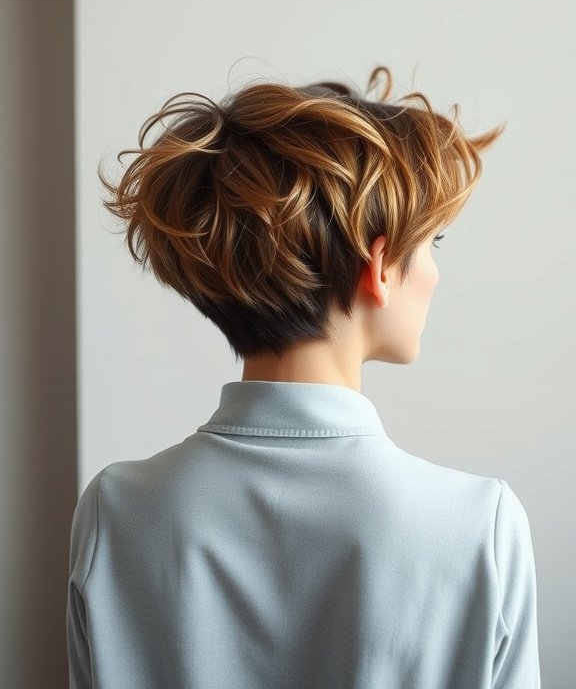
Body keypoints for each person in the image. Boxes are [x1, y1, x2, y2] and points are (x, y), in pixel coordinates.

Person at [66, 64, 541, 688]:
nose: (435, 272)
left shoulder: (117, 512)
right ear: (380, 266)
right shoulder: (479, 526)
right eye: (434, 243)